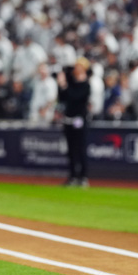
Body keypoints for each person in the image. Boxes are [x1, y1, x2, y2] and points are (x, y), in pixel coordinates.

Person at [57, 57, 91, 187]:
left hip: (79, 119)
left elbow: (75, 97)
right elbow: (63, 97)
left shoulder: (85, 84)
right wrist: (62, 84)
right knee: (70, 149)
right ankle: (73, 176)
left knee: (80, 148)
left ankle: (83, 176)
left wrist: (65, 86)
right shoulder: (71, 82)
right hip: (68, 118)